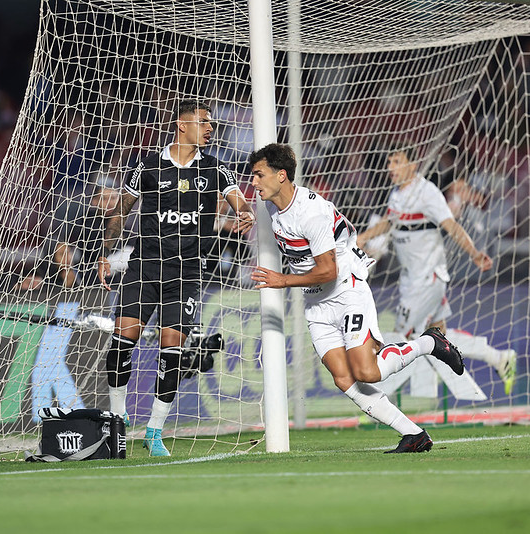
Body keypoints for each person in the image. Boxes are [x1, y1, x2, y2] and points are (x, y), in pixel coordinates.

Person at [249, 143, 464, 454]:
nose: (253, 182)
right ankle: (413, 434)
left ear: (281, 175)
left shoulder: (312, 212)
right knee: (343, 378)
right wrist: (241, 217)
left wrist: (283, 280)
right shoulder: (271, 204)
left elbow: (328, 271)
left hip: (346, 290)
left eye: (258, 175)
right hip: (316, 303)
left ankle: (429, 343)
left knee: (366, 372)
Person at [97, 99, 256, 456]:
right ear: (182, 125)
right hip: (145, 266)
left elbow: (238, 201)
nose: (210, 128)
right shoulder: (148, 166)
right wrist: (106, 254)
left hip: (186, 273)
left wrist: (244, 214)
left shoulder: (217, 169)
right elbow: (121, 211)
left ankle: (154, 431)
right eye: (203, 122)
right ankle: (118, 424)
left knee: (173, 350)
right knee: (124, 341)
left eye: (210, 123)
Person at [356, 143, 518, 394]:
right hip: (413, 277)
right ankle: (498, 358)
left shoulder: (427, 193)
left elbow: (451, 226)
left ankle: (374, 401)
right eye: (389, 163)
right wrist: (364, 237)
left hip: (427, 279)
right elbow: (390, 222)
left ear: (412, 165)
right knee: (440, 338)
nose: (391, 168)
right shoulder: (398, 193)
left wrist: (474, 253)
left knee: (402, 338)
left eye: (397, 161)